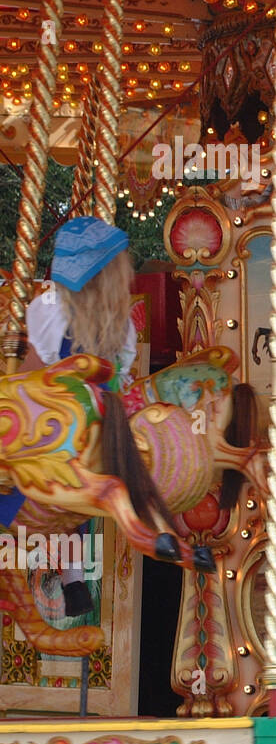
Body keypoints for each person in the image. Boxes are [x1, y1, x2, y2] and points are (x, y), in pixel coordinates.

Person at [21, 217, 138, 618]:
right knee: (70, 491)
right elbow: (122, 381)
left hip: (58, 426)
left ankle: (64, 574)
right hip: (101, 431)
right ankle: (73, 578)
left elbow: (27, 380)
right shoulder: (124, 326)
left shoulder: (49, 310)